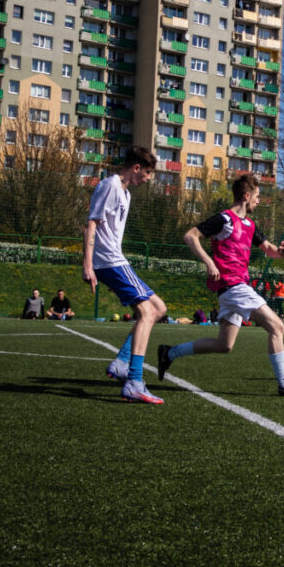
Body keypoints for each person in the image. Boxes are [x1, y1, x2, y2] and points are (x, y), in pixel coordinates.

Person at [156, 175, 284, 397]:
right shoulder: (224, 219)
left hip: (234, 290)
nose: (259, 201)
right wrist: (209, 262)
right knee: (277, 327)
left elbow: (269, 248)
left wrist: (281, 252)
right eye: (257, 197)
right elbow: (190, 236)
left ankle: (169, 353)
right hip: (233, 287)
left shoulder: (250, 225)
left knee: (224, 345)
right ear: (246, 196)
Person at [82, 144, 168, 404]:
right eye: (148, 173)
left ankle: (121, 362)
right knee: (147, 312)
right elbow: (91, 224)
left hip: (115, 263)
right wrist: (88, 265)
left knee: (159, 308)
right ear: (137, 167)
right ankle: (134, 381)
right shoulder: (109, 186)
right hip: (109, 261)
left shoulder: (126, 194)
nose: (149, 179)